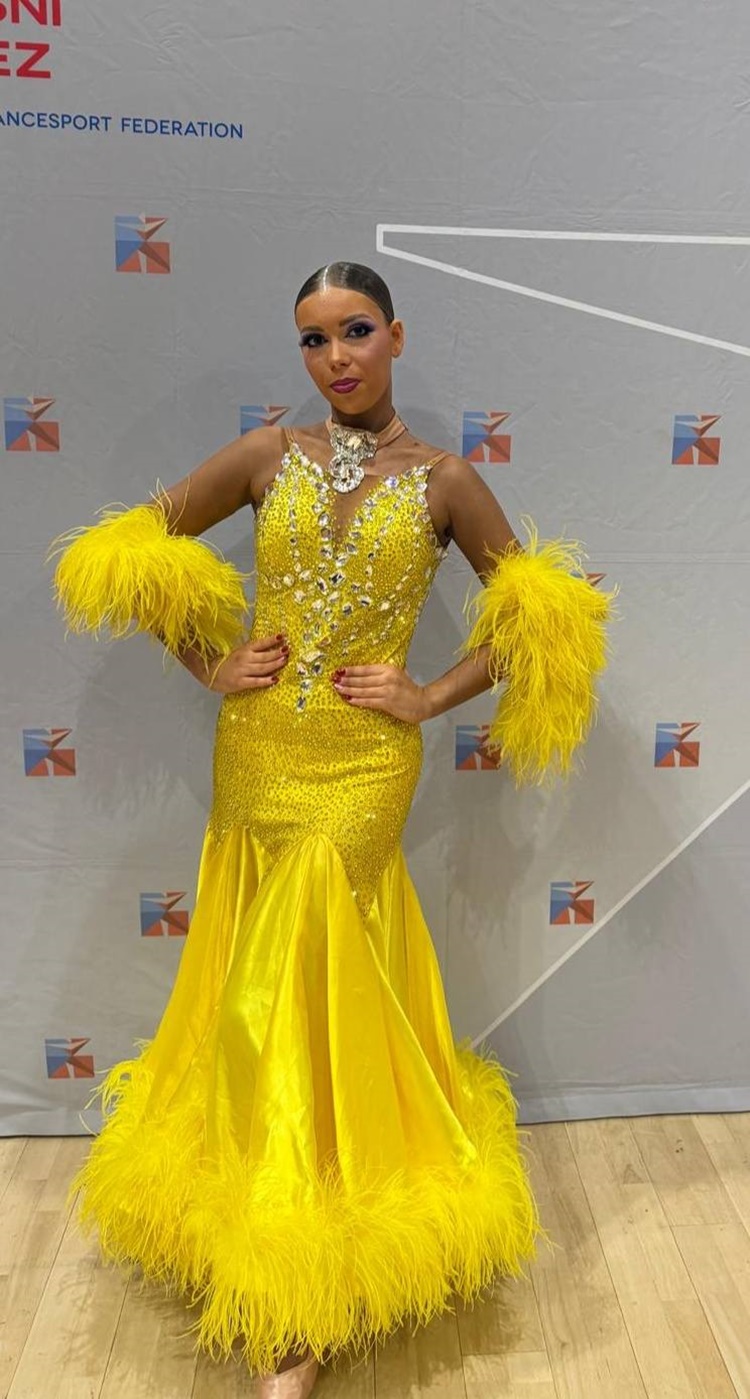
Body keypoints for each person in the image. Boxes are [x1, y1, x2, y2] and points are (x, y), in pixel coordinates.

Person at [49, 261, 615, 1397]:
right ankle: (272, 1245)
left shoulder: (447, 479)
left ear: (397, 335)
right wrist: (209, 662)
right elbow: (131, 548)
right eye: (314, 339)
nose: (337, 357)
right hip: (260, 749)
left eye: (356, 331)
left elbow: (541, 617)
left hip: (365, 765)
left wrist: (429, 695)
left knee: (312, 960)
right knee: (263, 980)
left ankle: (304, 1273)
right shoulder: (269, 455)